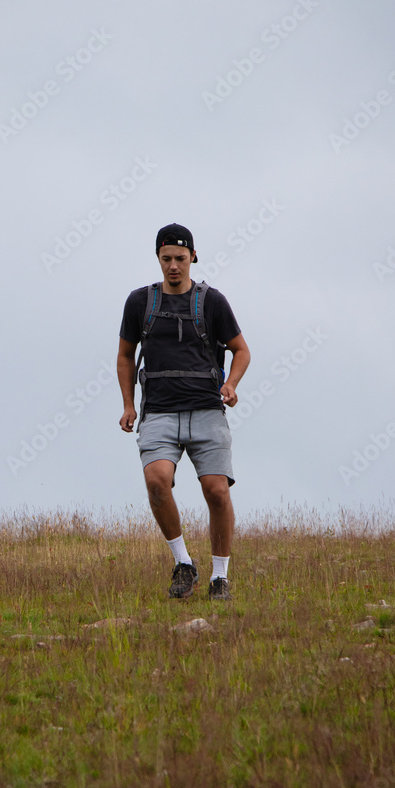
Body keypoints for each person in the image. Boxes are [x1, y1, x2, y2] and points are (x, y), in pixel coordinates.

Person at [117, 223, 251, 600]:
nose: (173, 266)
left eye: (180, 258)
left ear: (193, 257)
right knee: (157, 482)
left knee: (217, 492)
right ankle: (184, 565)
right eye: (166, 259)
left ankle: (219, 577)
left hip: (207, 411)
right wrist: (128, 404)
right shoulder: (139, 302)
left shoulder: (212, 302)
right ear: (157, 259)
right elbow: (126, 357)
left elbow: (242, 350)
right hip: (159, 412)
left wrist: (231, 385)